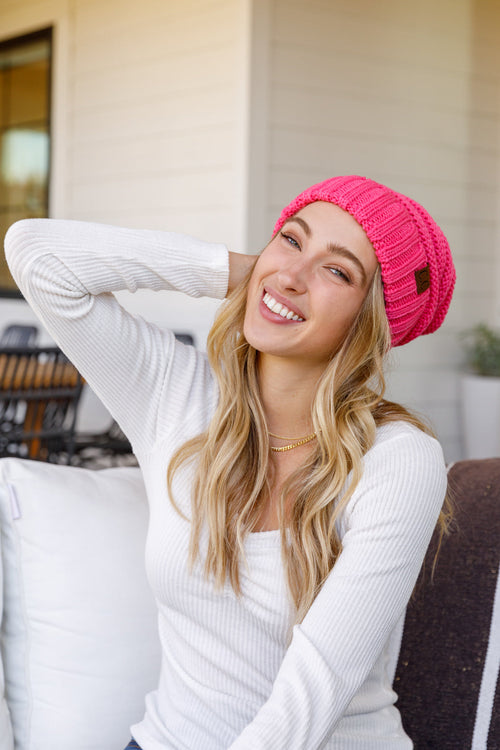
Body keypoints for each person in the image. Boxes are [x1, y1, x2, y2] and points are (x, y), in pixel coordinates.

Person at [5, 174, 455, 749]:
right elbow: (36, 255)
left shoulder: (397, 458)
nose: (293, 274)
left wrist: (281, 277)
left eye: (336, 271)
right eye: (291, 239)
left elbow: (318, 682)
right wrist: (243, 274)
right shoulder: (173, 392)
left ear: (370, 322)